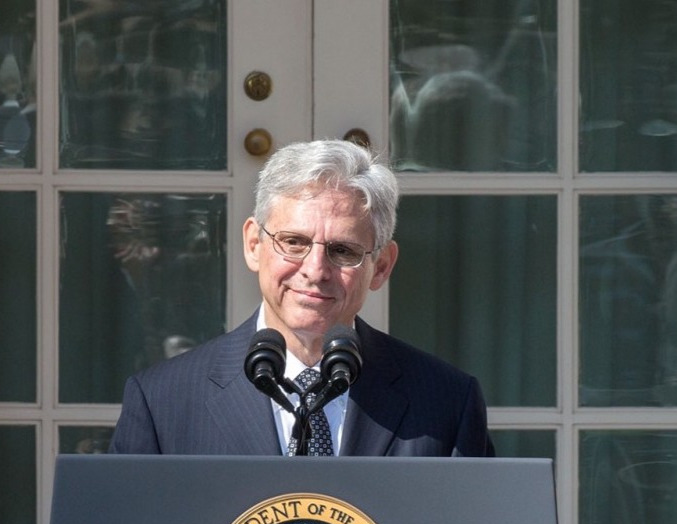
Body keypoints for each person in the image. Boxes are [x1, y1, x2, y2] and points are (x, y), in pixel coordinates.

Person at [110, 139, 492, 457]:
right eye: (294, 242)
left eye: (343, 251)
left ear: (381, 266)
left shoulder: (446, 403)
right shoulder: (163, 402)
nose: (315, 270)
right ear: (253, 245)